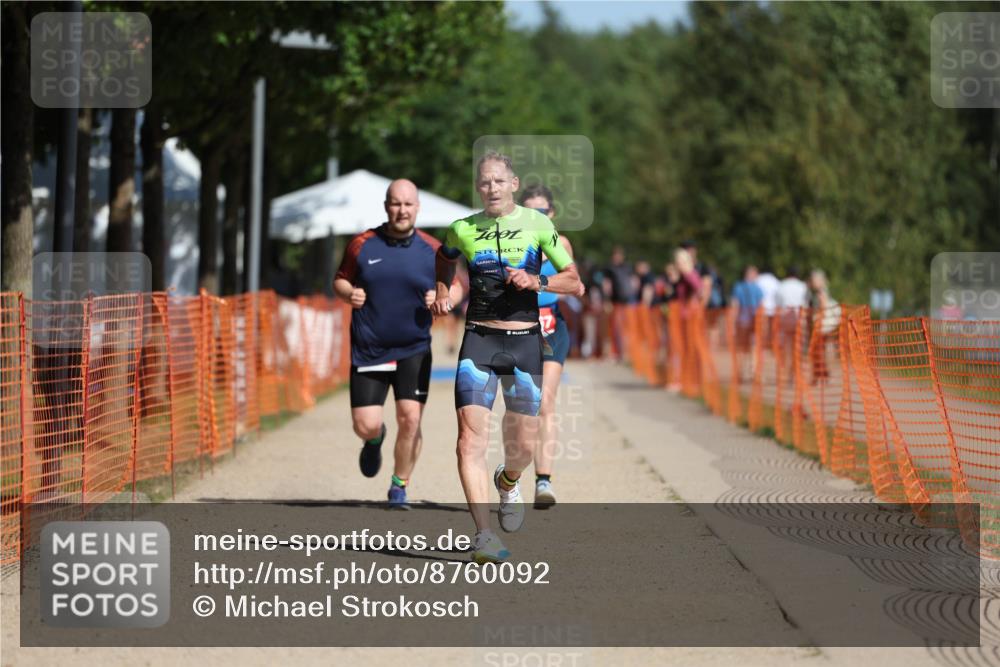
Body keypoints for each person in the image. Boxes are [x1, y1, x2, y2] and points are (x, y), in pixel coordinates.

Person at [432, 152, 582, 563]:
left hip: (525, 343)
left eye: (499, 181)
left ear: (513, 184)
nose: (492, 188)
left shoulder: (538, 225)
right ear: (478, 188)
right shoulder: (463, 228)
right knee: (468, 441)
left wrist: (537, 279)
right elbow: (444, 258)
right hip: (478, 341)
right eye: (485, 183)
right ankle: (483, 536)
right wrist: (444, 291)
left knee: (522, 446)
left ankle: (509, 479)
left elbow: (575, 282)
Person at [334, 179, 461, 509]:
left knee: (411, 418)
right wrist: (350, 293)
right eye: (395, 203)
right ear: (386, 206)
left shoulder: (432, 249)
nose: (401, 210)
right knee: (365, 424)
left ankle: (398, 486)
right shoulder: (363, 244)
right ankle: (374, 439)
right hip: (370, 347)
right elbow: (340, 279)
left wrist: (444, 298)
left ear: (417, 207)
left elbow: (457, 285)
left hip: (414, 348)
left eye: (408, 204)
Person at [519, 184, 585, 509]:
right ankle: (512, 475)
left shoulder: (562, 244)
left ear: (552, 214)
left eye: (541, 212)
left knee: (546, 402)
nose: (536, 217)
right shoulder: (510, 244)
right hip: (517, 330)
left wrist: (547, 282)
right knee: (522, 407)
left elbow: (574, 284)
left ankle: (543, 481)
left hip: (551, 329)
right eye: (530, 211)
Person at [730, 265, 763, 383]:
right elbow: (761, 306)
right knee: (754, 347)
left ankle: (740, 372)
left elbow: (735, 305)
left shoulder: (738, 287)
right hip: (754, 320)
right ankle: (754, 372)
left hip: (742, 320)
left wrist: (733, 323)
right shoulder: (757, 288)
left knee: (742, 348)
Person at [604, 246, 634, 361]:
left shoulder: (627, 268)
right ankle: (614, 352)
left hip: (626, 303)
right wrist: (607, 300)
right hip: (615, 303)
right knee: (614, 329)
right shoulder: (610, 269)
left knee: (625, 329)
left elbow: (632, 283)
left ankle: (625, 353)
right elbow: (607, 286)